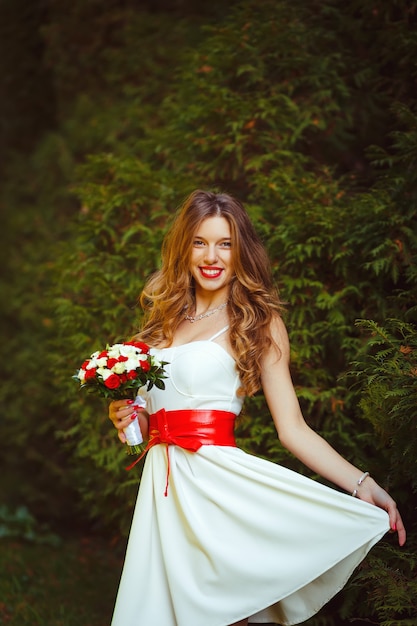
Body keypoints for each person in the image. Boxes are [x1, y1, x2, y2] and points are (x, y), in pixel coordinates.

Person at [108, 189, 405, 626]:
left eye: (225, 243)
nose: (212, 256)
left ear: (240, 251)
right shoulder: (159, 325)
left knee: (224, 614)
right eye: (200, 242)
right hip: (165, 493)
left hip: (219, 490)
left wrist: (362, 484)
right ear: (183, 248)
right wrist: (125, 419)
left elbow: (293, 429)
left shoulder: (257, 321)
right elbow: (149, 419)